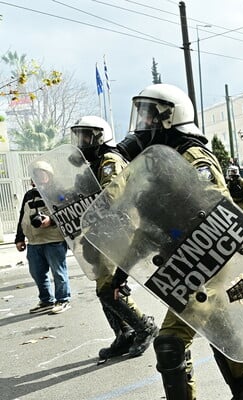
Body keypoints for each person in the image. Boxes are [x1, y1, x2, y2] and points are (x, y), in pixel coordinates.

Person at [116, 83, 243, 400]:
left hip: (207, 259)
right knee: (220, 329)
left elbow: (220, 212)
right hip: (183, 263)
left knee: (170, 342)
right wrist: (121, 272)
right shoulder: (154, 166)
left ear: (169, 116)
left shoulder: (193, 156)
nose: (141, 124)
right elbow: (147, 229)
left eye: (147, 115)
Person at [71, 115, 159, 361]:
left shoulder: (110, 160)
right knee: (102, 286)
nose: (82, 141)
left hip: (117, 230)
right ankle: (124, 333)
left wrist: (86, 211)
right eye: (79, 135)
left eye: (86, 135)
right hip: (102, 232)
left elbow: (110, 195)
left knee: (109, 287)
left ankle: (144, 327)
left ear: (100, 137)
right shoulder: (94, 164)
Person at [15, 175, 71, 315]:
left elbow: (66, 210)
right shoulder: (29, 194)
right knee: (37, 273)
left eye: (40, 173)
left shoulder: (57, 192)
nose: (36, 177)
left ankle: (63, 300)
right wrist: (19, 238)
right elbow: (23, 215)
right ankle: (46, 301)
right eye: (34, 174)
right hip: (34, 242)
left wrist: (51, 220)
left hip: (54, 240)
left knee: (58, 272)